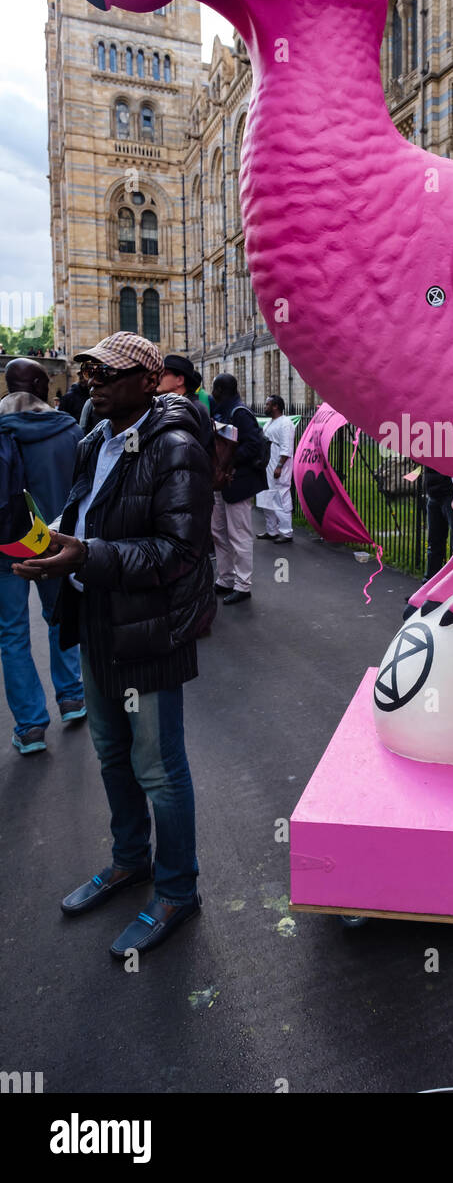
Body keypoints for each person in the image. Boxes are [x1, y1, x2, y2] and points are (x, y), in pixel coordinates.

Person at [12, 332, 214, 958]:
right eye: (87, 370)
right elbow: (85, 519)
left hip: (148, 634)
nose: (93, 380)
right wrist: (50, 545)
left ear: (150, 381)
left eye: (108, 372)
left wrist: (88, 554)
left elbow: (180, 551)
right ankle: (132, 861)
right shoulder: (93, 438)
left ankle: (178, 890)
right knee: (111, 756)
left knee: (159, 769)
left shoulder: (176, 445)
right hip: (97, 621)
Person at [0, 358, 85, 753]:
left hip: (5, 548)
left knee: (13, 634)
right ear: (39, 384)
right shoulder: (67, 429)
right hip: (53, 542)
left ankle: (31, 726)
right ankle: (71, 697)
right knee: (59, 618)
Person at [210, 373, 268, 606]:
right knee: (219, 532)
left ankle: (243, 585)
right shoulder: (224, 409)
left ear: (222, 389)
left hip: (237, 482)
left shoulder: (239, 412)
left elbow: (253, 444)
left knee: (239, 534)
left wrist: (230, 462)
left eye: (214, 389)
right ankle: (226, 578)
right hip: (222, 482)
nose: (212, 393)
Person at [157, 354, 214, 455]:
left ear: (179, 380)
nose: (158, 377)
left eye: (164, 373)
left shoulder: (195, 409)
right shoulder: (171, 405)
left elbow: (200, 451)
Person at [257, 395, 294, 542]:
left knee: (281, 498)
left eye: (267, 404)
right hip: (267, 465)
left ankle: (286, 533)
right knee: (267, 498)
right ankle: (271, 531)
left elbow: (287, 447)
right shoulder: (270, 423)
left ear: (275, 406)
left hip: (278, 466)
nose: (265, 407)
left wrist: (279, 466)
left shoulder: (285, 423)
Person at [421, 467, 453, 584]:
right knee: (434, 544)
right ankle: (429, 585)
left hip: (450, 493)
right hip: (434, 492)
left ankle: (450, 586)